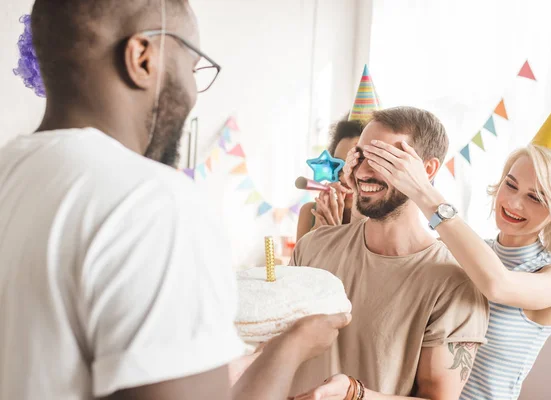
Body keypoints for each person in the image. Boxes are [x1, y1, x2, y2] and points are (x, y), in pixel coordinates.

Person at [0, 1, 350, 399]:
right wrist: (292, 348)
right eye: (192, 64)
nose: (193, 92)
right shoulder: (151, 202)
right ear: (143, 58)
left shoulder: (10, 173)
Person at [341, 85, 551, 400]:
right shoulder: (464, 250)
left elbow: (497, 285)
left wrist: (422, 190)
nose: (514, 204)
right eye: (510, 184)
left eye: (535, 197)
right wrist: (363, 188)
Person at [290, 107, 490, 399]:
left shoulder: (455, 283)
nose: (364, 171)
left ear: (428, 170)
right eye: (360, 156)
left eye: (385, 158)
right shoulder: (313, 246)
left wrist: (353, 394)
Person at [296, 115, 363, 241]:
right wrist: (316, 234)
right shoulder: (310, 213)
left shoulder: (386, 222)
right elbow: (298, 261)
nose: (343, 178)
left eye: (355, 165)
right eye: (338, 165)